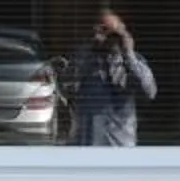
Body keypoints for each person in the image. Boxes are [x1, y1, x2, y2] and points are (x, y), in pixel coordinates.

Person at [66, 11, 156, 147]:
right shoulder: (85, 60)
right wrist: (90, 47)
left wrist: (129, 54)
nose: (110, 38)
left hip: (122, 144)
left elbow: (149, 91)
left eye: (115, 33)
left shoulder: (133, 61)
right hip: (89, 145)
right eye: (104, 31)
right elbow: (67, 86)